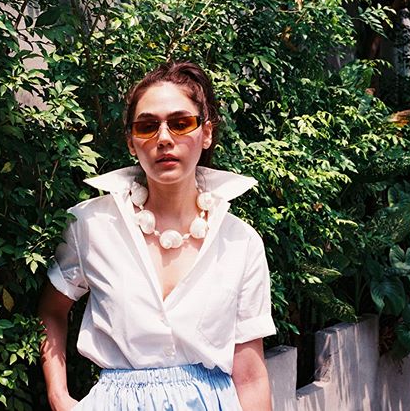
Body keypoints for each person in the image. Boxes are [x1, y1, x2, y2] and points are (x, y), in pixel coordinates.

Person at [38, 61, 276, 411]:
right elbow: (51, 310)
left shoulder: (241, 243)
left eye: (181, 123)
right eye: (147, 126)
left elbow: (251, 376)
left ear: (206, 133)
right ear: (131, 142)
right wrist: (59, 397)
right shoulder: (91, 225)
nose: (164, 138)